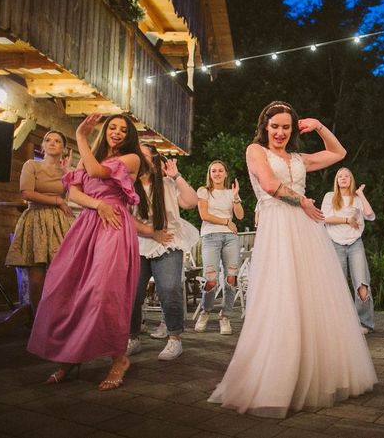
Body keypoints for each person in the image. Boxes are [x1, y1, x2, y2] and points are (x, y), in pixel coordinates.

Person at [209, 101, 375, 417]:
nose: (281, 132)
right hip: (279, 226)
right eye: (275, 126)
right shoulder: (255, 151)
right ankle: (276, 378)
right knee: (281, 296)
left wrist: (320, 126)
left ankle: (310, 375)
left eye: (286, 126)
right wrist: (303, 201)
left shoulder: (299, 158)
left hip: (305, 229)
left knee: (311, 297)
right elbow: (270, 186)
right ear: (265, 126)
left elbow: (338, 154)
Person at [27, 114, 142, 390]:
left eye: (123, 130)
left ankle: (119, 358)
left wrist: (80, 137)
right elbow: (74, 194)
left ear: (129, 136)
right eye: (112, 127)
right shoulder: (92, 156)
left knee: (103, 290)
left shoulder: (132, 159)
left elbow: (96, 173)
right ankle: (70, 356)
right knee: (67, 287)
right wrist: (97, 205)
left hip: (113, 224)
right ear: (105, 131)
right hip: (88, 223)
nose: (116, 132)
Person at [0, 131, 74, 332]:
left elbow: (75, 196)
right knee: (36, 276)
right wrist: (57, 200)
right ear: (43, 145)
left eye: (58, 141)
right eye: (48, 140)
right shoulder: (31, 165)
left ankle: (59, 318)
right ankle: (38, 322)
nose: (52, 143)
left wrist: (68, 174)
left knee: (61, 272)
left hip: (60, 222)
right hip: (36, 219)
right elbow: (26, 192)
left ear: (64, 148)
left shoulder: (66, 171)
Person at [127, 146, 199, 361]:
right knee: (132, 292)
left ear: (154, 159)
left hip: (168, 240)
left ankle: (174, 338)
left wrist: (176, 175)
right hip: (139, 240)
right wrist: (151, 233)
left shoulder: (167, 184)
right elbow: (125, 216)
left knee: (169, 288)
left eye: (143, 155)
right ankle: (132, 337)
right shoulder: (128, 186)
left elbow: (192, 202)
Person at [322, 167, 376, 333]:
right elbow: (325, 218)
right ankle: (340, 322)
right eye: (340, 176)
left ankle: (365, 323)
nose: (343, 178)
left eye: (347, 176)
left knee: (362, 283)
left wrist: (361, 194)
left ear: (351, 180)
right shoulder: (330, 197)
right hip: (335, 243)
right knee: (338, 284)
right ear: (336, 181)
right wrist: (346, 219)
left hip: (355, 244)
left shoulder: (356, 199)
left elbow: (370, 215)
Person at [196, 161, 245, 335]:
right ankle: (205, 311)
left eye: (220, 170)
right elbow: (204, 215)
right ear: (209, 174)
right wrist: (226, 221)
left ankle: (225, 316)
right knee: (210, 279)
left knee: (231, 277)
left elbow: (239, 215)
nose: (217, 173)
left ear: (225, 174)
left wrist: (236, 197)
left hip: (230, 238)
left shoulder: (230, 192)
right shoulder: (204, 191)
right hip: (210, 236)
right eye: (213, 171)